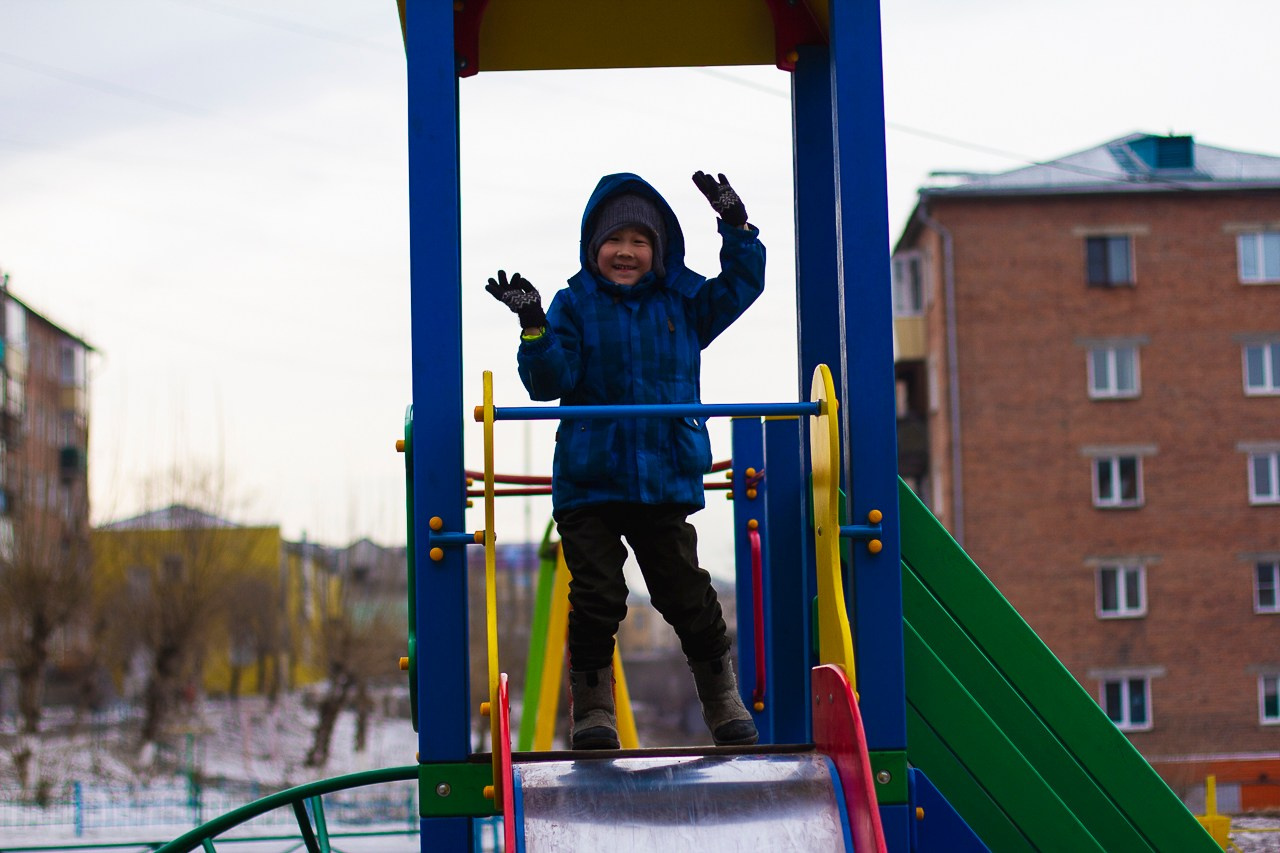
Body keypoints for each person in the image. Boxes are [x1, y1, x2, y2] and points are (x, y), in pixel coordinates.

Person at [486, 171, 764, 750]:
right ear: (594, 248)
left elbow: (741, 284)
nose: (627, 252)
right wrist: (534, 327)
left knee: (685, 592)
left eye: (640, 242)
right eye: (615, 241)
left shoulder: (685, 303)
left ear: (658, 250)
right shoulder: (574, 305)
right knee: (598, 596)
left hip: (662, 477)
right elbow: (547, 384)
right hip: (591, 481)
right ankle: (592, 710)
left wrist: (736, 228)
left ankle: (722, 699)